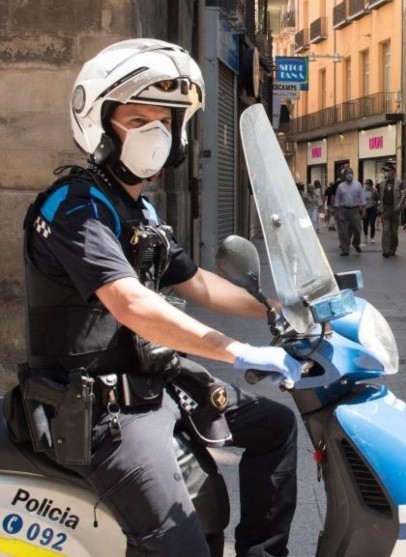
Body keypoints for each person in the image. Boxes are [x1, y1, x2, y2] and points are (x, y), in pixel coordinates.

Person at [18, 39, 301, 556]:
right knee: (182, 542)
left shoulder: (140, 213)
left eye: (166, 120)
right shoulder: (76, 208)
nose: (156, 132)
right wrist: (238, 351)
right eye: (138, 119)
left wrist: (280, 309)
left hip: (155, 386)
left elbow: (198, 283)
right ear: (100, 124)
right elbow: (130, 304)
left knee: (275, 425)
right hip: (101, 411)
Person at [334, 168, 365, 256]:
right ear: (344, 175)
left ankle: (356, 243)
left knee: (358, 229)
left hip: (355, 210)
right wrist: (336, 212)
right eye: (347, 173)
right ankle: (345, 249)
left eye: (350, 173)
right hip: (343, 210)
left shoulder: (358, 185)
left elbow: (362, 198)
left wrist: (363, 209)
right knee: (343, 231)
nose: (349, 175)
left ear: (353, 174)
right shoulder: (340, 186)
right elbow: (337, 199)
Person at [378, 161, 403, 257]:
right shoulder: (382, 183)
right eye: (385, 171)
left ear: (393, 171)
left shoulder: (399, 182)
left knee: (394, 232)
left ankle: (393, 249)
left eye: (387, 170)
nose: (386, 172)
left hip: (395, 209)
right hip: (385, 208)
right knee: (386, 230)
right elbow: (380, 197)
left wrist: (400, 205)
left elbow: (403, 195)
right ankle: (386, 250)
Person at [362, 178, 379, 244]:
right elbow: (361, 200)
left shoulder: (374, 191)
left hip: (372, 208)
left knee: (372, 223)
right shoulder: (363, 191)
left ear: (371, 185)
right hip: (365, 209)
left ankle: (372, 237)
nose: (367, 185)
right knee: (365, 223)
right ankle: (365, 236)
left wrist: (373, 191)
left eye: (368, 184)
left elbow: (377, 198)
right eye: (366, 184)